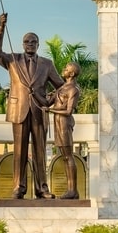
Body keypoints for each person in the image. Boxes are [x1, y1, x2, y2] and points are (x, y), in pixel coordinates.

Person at [0, 13, 63, 199]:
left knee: (40, 151)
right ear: (22, 44)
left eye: (33, 41)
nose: (30, 44)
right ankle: (18, 187)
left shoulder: (47, 64)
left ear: (38, 45)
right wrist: (1, 29)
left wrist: (49, 100)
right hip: (19, 111)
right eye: (26, 41)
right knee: (20, 151)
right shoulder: (12, 60)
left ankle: (42, 189)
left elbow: (61, 87)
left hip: (39, 111)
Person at [45, 62, 81, 199]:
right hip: (58, 123)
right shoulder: (61, 88)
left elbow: (68, 111)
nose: (63, 70)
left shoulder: (73, 90)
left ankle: (73, 190)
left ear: (71, 74)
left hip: (65, 123)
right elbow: (47, 102)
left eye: (66, 69)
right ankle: (70, 189)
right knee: (65, 157)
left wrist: (51, 110)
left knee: (68, 156)